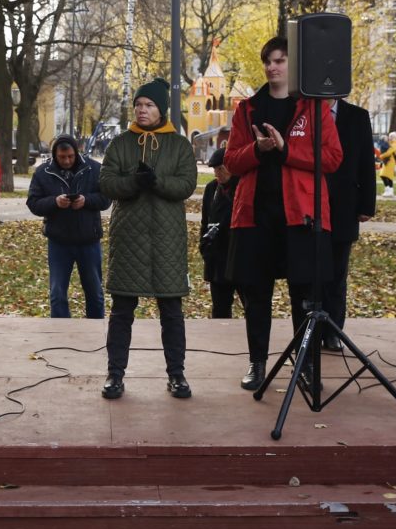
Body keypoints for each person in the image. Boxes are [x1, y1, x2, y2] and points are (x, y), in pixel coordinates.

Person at [224, 37, 341, 392]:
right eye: (268, 62)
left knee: (303, 294)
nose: (273, 67)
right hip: (256, 215)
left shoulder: (314, 107)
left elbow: (333, 159)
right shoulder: (247, 109)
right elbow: (231, 161)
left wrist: (287, 149)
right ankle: (257, 364)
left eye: (280, 61)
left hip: (299, 215)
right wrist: (258, 150)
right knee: (256, 293)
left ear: (293, 65)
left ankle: (304, 365)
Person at [99, 78, 198, 400]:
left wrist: (155, 183)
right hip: (128, 239)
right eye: (139, 105)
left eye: (149, 105)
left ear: (161, 110)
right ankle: (115, 376)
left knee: (172, 312)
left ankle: (177, 375)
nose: (142, 110)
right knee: (121, 312)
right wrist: (134, 183)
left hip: (167, 241)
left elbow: (185, 185)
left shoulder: (180, 145)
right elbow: (108, 184)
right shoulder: (120, 144)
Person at [26, 134, 110, 318]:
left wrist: (86, 200)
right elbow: (33, 203)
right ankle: (60, 331)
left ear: (76, 152)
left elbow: (106, 198)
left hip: (89, 239)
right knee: (57, 293)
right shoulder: (43, 172)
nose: (66, 161)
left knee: (95, 292)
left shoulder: (94, 168)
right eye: (62, 157)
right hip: (59, 241)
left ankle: (96, 330)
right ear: (55, 154)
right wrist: (54, 202)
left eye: (70, 156)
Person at [323, 98, 377, 350]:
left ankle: (333, 331)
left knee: (336, 273)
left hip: (344, 207)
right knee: (309, 273)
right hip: (309, 204)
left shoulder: (357, 116)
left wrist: (367, 205)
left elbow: (366, 160)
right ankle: (309, 329)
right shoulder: (302, 111)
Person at [200, 147, 241, 318]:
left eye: (221, 169)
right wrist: (204, 246)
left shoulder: (241, 186)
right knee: (220, 307)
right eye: (215, 170)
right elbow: (205, 220)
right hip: (216, 257)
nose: (217, 173)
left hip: (238, 255)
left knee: (252, 304)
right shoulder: (212, 189)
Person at [379, 131, 396, 197]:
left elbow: (389, 152)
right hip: (387, 161)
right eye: (390, 136)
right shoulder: (390, 143)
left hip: (390, 162)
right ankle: (388, 190)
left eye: (392, 136)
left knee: (388, 176)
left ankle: (390, 191)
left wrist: (381, 156)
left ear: (395, 137)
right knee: (383, 175)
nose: (390, 137)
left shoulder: (394, 144)